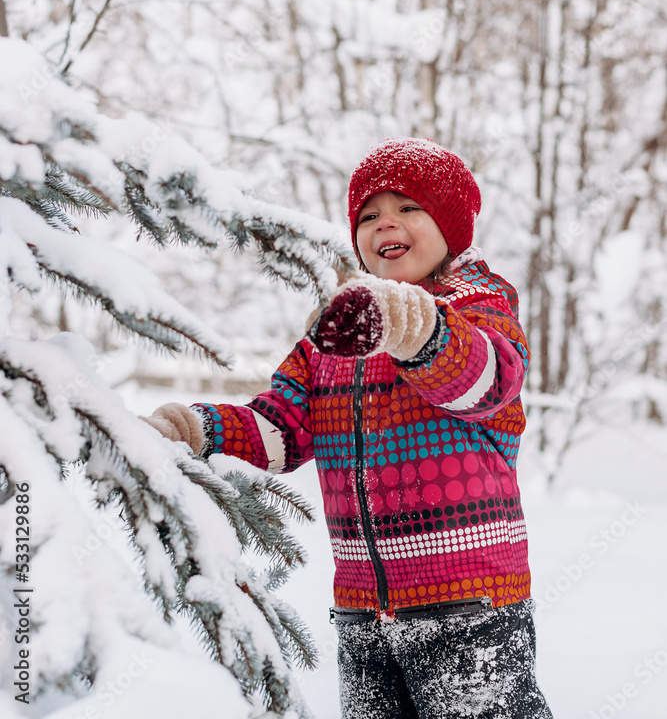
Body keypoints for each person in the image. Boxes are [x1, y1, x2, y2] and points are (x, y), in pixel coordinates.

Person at [140, 137, 553, 719]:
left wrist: (411, 327)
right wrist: (194, 428)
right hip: (362, 610)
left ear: (451, 226)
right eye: (368, 215)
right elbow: (278, 428)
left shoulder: (478, 305)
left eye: (409, 207)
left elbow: (485, 380)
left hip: (468, 602)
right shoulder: (337, 338)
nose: (386, 222)